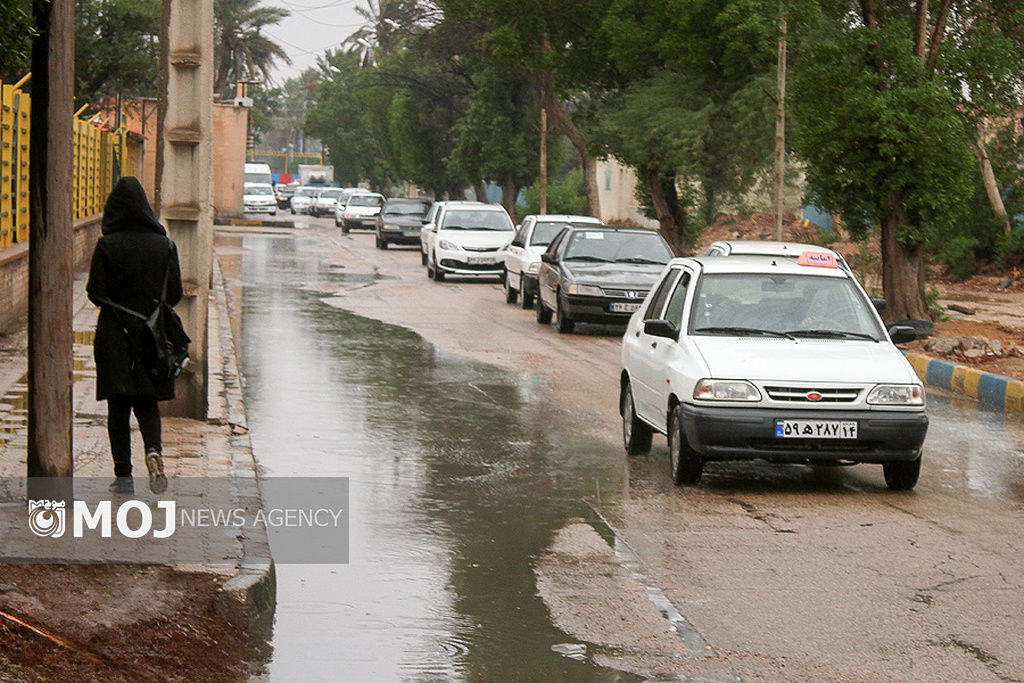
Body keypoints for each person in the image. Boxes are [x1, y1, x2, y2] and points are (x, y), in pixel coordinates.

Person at [87, 177, 183, 494]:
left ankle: (124, 476)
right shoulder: (165, 245)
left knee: (118, 405)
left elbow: (95, 293)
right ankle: (153, 450)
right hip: (151, 337)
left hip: (115, 334)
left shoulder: (107, 245)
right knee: (147, 401)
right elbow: (176, 293)